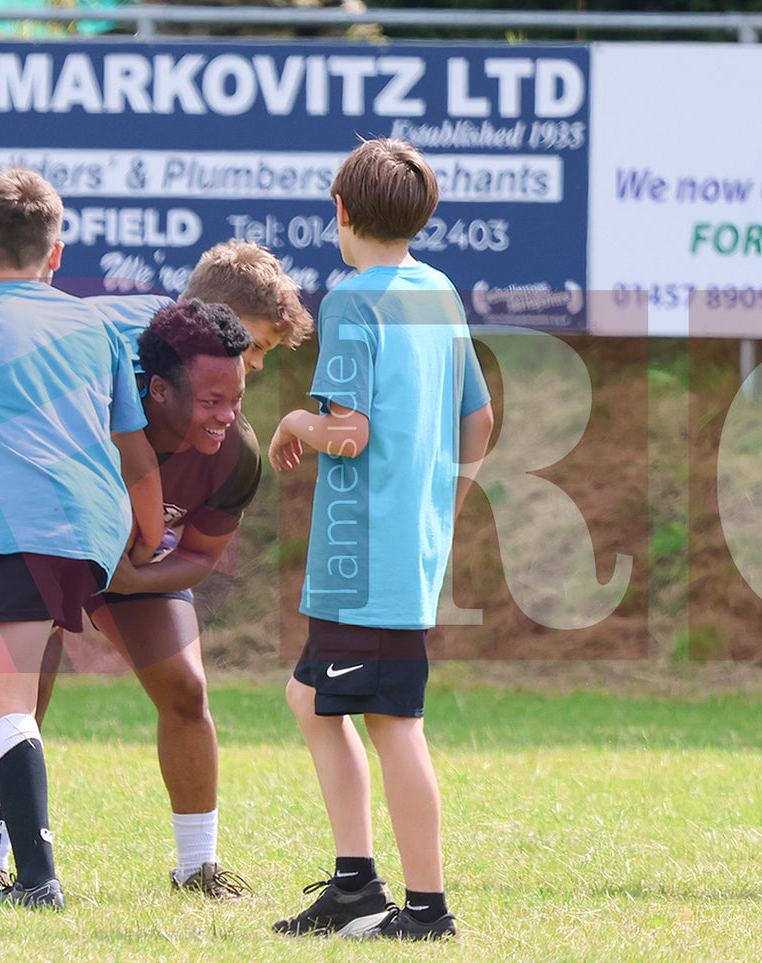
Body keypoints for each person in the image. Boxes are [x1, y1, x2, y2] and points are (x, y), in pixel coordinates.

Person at [0, 241, 314, 900]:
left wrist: (128, 575)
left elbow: (198, 555)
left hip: (112, 551)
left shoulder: (231, 441)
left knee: (185, 689)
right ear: (204, 319)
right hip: (17, 488)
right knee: (19, 679)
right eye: (250, 345)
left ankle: (197, 865)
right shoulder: (108, 343)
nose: (251, 364)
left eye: (259, 357)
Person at [0, 166, 165, 910]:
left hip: (18, 523)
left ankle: (38, 880)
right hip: (90, 527)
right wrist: (145, 534)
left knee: (0, 693)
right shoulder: (94, 324)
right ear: (57, 255)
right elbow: (133, 445)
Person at [267, 138, 494, 940]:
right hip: (399, 548)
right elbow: (480, 419)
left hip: (366, 552)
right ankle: (355, 883)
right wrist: (436, 505)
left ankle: (425, 908)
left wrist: (296, 419)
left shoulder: (353, 299)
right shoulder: (438, 290)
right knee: (310, 697)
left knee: (393, 722)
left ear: (339, 210)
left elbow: (350, 433)